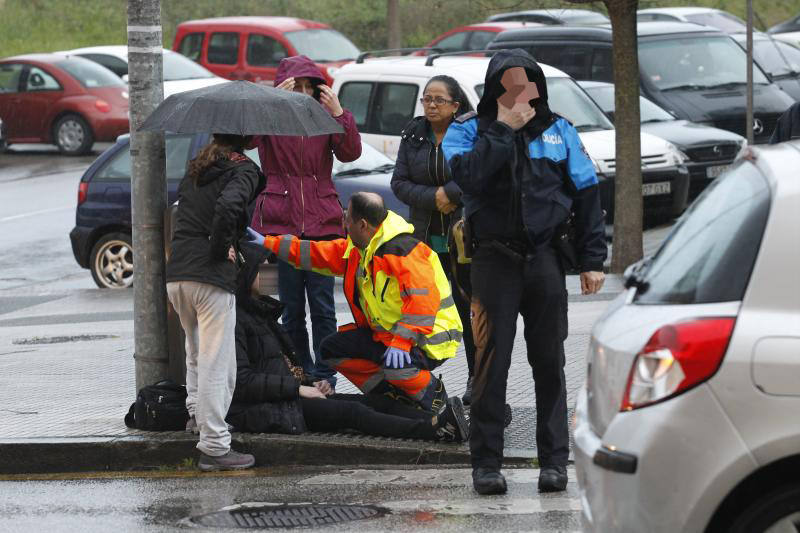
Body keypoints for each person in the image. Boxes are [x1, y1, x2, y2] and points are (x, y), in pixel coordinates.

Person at [442, 49, 607, 495]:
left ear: (537, 87)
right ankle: (487, 466)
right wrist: (500, 131)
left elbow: (589, 194)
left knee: (550, 364)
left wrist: (593, 260)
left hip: (547, 260)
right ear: (495, 89)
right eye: (510, 84)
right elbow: (469, 182)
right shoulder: (466, 133)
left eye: (526, 83)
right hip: (493, 261)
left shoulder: (560, 131)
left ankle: (553, 461)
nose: (520, 92)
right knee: (488, 366)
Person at [226, 242, 469, 443]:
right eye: (265, 267)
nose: (272, 272)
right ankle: (433, 431)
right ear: (247, 275)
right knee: (354, 413)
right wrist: (298, 388)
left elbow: (281, 367)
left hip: (291, 395)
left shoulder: (264, 314)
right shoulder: (236, 319)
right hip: (273, 406)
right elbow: (241, 382)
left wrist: (312, 382)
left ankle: (440, 419)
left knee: (377, 403)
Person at [248, 192, 462, 415]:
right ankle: (392, 398)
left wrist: (402, 341)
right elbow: (316, 253)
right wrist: (268, 243)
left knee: (397, 368)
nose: (343, 221)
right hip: (391, 337)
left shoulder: (404, 252)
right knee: (331, 350)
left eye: (347, 217)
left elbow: (421, 302)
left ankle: (433, 397)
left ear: (362, 225)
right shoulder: (360, 249)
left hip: (429, 338)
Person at [250, 54, 362, 390]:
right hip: (282, 226)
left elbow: (351, 152)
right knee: (291, 308)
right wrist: (273, 103)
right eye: (293, 86)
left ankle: (326, 373)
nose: (301, 92)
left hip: (322, 225)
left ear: (318, 89)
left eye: (307, 86)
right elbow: (249, 140)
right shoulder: (273, 119)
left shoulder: (326, 117)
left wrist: (339, 113)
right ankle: (301, 371)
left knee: (323, 307)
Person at [166, 133, 265, 471]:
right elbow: (228, 207)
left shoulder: (198, 167)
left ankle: (197, 417)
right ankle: (214, 446)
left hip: (178, 274)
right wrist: (221, 248)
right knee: (217, 362)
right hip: (209, 277)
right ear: (247, 140)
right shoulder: (244, 171)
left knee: (195, 352)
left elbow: (182, 210)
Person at [390, 75, 477, 406]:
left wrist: (453, 193)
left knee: (469, 310)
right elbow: (398, 182)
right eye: (427, 99)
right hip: (426, 237)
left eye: (439, 100)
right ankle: (416, 380)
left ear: (456, 105)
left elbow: (481, 173)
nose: (431, 105)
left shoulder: (470, 133)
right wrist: (434, 196)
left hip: (466, 240)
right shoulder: (413, 134)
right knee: (424, 309)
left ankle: (477, 377)